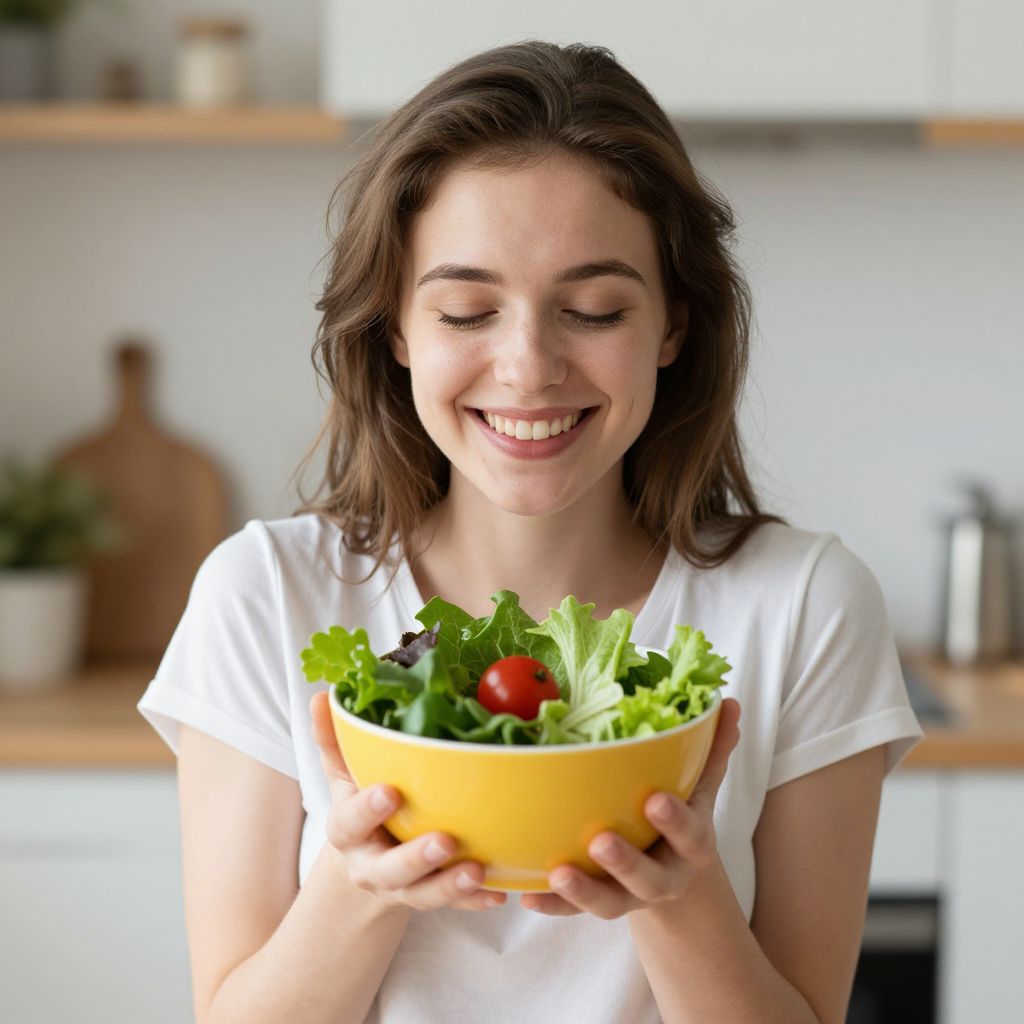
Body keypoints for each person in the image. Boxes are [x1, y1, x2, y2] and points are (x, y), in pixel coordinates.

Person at [138, 40, 923, 1024]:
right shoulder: (263, 594)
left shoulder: (804, 604)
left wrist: (682, 899)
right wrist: (361, 886)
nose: (527, 368)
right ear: (395, 327)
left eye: (592, 309)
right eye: (467, 309)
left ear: (674, 323)